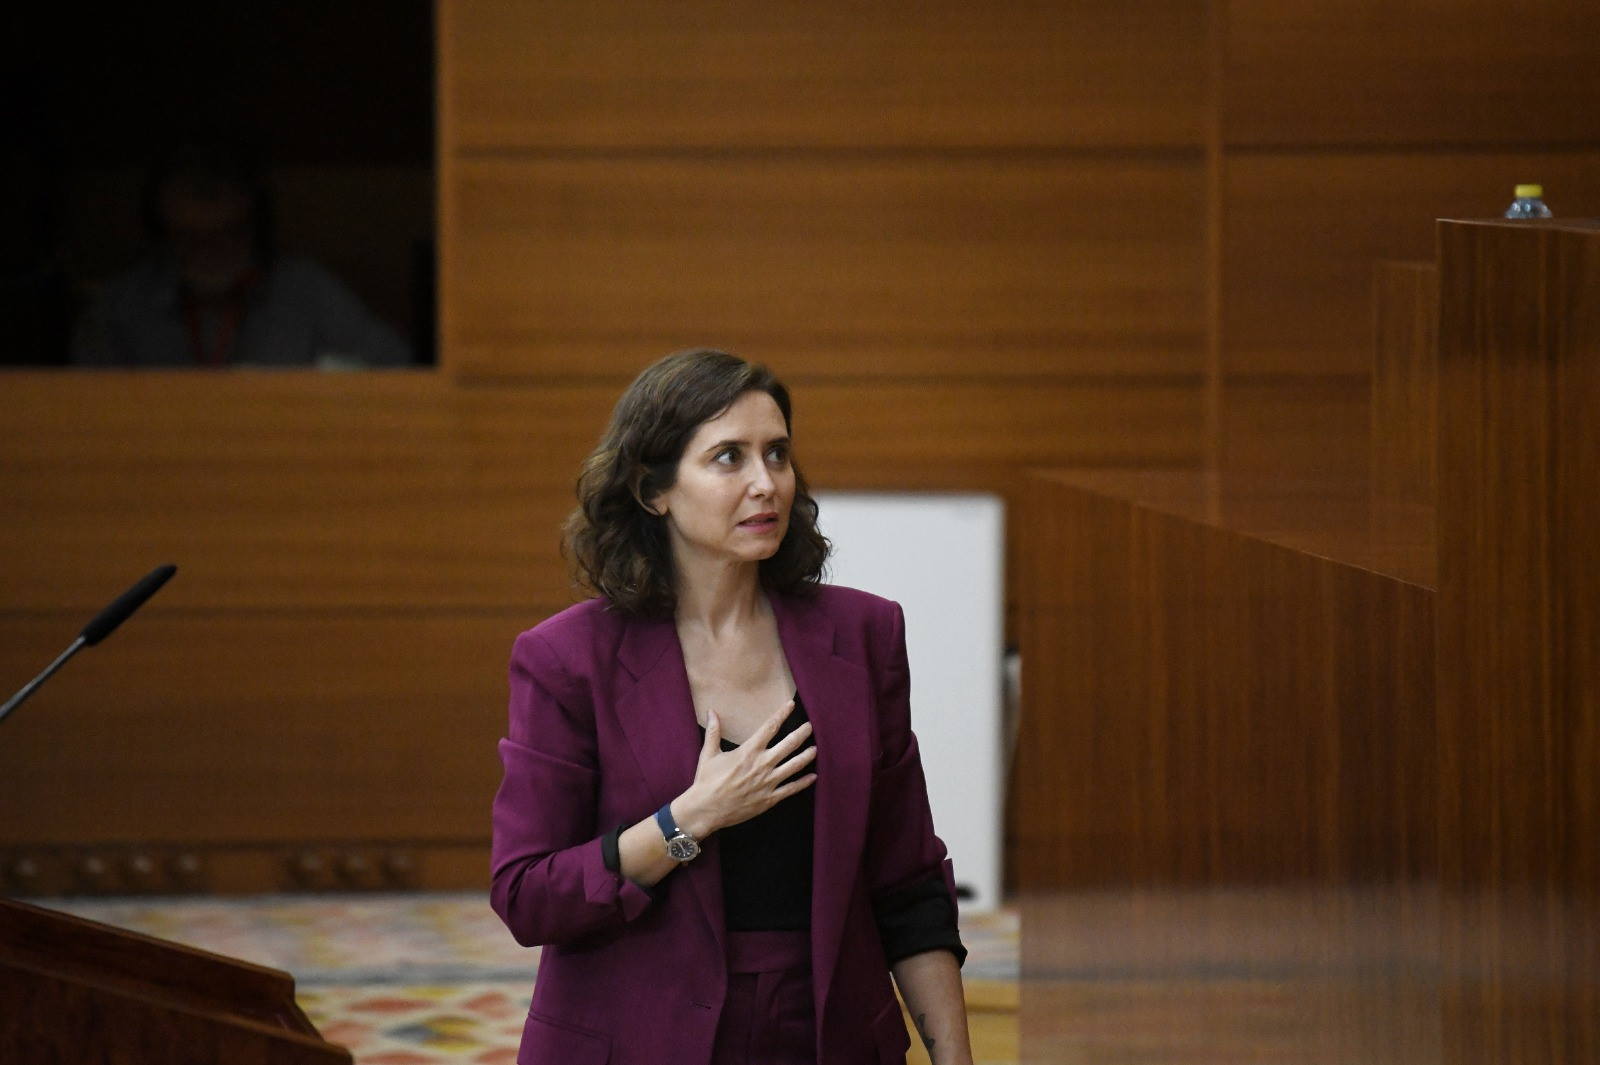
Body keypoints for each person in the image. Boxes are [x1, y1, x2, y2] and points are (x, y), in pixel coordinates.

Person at [490, 349, 974, 1064]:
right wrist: (686, 821)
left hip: (827, 1034)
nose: (765, 482)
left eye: (777, 453)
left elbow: (907, 882)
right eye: (728, 458)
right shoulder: (568, 659)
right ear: (654, 491)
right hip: (638, 1040)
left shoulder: (863, 635)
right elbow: (527, 896)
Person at [71, 137, 409, 369]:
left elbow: (393, 368)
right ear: (162, 234)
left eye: (227, 234)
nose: (209, 253)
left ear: (255, 226)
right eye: (189, 238)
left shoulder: (306, 291)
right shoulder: (121, 308)